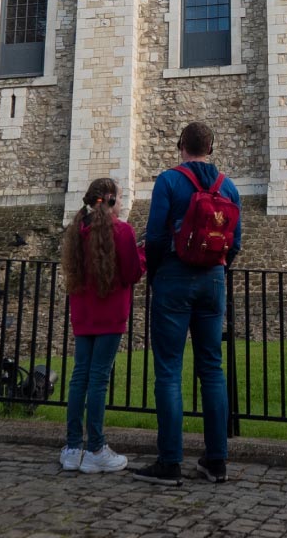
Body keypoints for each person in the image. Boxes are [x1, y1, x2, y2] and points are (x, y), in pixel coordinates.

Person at [133, 121, 242, 486]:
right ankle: (216, 461)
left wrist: (156, 273)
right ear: (210, 149)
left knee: (168, 370)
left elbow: (156, 234)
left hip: (174, 278)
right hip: (213, 279)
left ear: (182, 146)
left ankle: (169, 462)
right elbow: (236, 242)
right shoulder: (228, 186)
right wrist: (217, 270)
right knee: (212, 369)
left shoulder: (169, 180)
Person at [58, 178, 145, 476]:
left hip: (83, 314)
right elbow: (133, 272)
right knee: (98, 379)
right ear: (109, 200)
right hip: (110, 316)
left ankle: (72, 448)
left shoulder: (77, 230)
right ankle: (96, 448)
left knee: (79, 377)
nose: (121, 204)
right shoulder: (122, 231)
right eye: (119, 198)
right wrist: (142, 253)